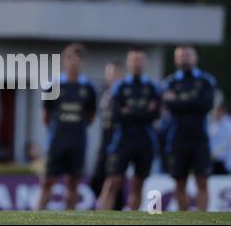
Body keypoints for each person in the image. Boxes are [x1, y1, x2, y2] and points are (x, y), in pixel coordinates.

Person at [98, 47, 160, 211]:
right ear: (128, 62)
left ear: (145, 62)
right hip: (122, 140)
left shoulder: (152, 87)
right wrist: (143, 111)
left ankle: (132, 217)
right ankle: (100, 219)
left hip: (145, 140)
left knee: (138, 184)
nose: (137, 64)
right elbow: (117, 114)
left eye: (140, 60)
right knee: (113, 182)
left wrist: (131, 111)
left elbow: (155, 114)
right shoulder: (119, 87)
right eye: (133, 60)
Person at [36, 43, 97, 210]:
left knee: (73, 184)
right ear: (64, 61)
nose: (74, 63)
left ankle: (68, 218)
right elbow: (46, 116)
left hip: (78, 142)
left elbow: (91, 116)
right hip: (56, 141)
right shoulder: (53, 85)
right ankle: (37, 219)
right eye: (71, 59)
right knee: (47, 182)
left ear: (82, 62)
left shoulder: (88, 88)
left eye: (78, 59)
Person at [162, 45, 216, 211]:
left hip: (200, 138)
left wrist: (178, 100)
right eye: (181, 56)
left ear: (195, 58)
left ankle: (202, 219)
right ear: (176, 59)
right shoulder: (169, 81)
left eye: (187, 55)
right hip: (177, 138)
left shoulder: (206, 80)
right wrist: (191, 102)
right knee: (179, 181)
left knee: (202, 180)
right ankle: (184, 218)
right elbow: (168, 105)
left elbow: (205, 105)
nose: (184, 59)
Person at [90, 60, 125, 210]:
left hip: (119, 144)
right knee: (96, 180)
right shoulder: (105, 94)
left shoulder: (125, 94)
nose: (112, 76)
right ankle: (112, 208)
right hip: (105, 143)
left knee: (113, 181)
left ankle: (109, 210)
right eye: (110, 73)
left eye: (116, 73)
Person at [208, 101, 231, 174]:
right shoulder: (213, 123)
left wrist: (217, 151)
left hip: (224, 159)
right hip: (212, 158)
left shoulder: (228, 125)